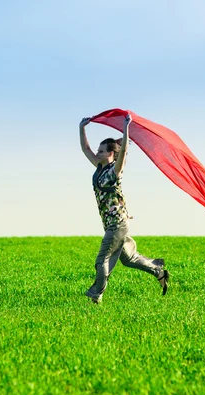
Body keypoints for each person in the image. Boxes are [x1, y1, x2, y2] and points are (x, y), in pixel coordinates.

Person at [79, 114, 169, 304]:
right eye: (99, 150)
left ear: (112, 154)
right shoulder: (99, 168)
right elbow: (86, 149)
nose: (98, 153)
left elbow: (125, 148)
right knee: (129, 259)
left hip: (117, 224)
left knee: (101, 260)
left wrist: (126, 128)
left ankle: (96, 295)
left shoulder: (114, 171)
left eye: (102, 151)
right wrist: (82, 128)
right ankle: (158, 270)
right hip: (113, 223)